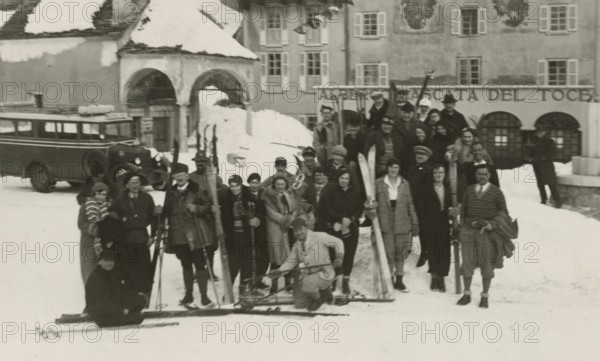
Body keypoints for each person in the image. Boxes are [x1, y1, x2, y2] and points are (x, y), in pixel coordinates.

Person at [158, 163, 216, 307]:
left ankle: (204, 296)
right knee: (185, 265)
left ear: (187, 175)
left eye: (182, 174)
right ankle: (188, 295)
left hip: (195, 235)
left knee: (200, 264)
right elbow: (166, 212)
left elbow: (209, 207)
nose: (180, 177)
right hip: (178, 235)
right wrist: (159, 212)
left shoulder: (197, 190)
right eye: (177, 175)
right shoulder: (170, 193)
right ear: (173, 177)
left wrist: (197, 208)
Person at [457, 164, 513, 308]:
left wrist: (492, 225)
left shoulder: (496, 192)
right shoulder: (469, 190)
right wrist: (463, 226)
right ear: (475, 175)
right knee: (467, 262)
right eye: (479, 173)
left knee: (486, 264)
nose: (482, 176)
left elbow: (504, 214)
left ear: (489, 175)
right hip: (468, 232)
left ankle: (484, 296)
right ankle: (467, 294)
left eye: (485, 174)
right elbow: (463, 211)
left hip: (486, 234)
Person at [269, 218, 344, 311]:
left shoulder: (318, 236)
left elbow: (338, 242)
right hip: (309, 276)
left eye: (301, 229)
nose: (299, 233)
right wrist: (279, 271)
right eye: (296, 231)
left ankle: (319, 299)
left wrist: (339, 257)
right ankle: (324, 292)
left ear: (306, 228)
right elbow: (290, 262)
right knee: (299, 303)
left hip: (324, 273)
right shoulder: (297, 246)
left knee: (307, 283)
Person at [366, 157, 419, 291]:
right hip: (386, 221)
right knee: (388, 253)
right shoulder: (379, 183)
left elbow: (410, 204)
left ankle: (399, 280)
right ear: (387, 168)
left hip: (402, 222)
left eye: (396, 167)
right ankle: (388, 279)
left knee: (400, 253)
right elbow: (370, 202)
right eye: (391, 167)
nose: (393, 170)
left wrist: (414, 221)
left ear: (399, 169)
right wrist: (371, 209)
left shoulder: (404, 184)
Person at [111, 172, 158, 296]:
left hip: (142, 238)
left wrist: (153, 235)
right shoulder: (120, 199)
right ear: (126, 185)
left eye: (137, 182)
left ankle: (143, 294)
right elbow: (113, 219)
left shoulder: (147, 198)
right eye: (131, 183)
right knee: (128, 269)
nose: (134, 185)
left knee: (143, 268)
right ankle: (130, 295)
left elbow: (154, 217)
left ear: (140, 184)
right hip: (126, 239)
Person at [317, 170, 363, 294]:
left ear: (350, 180)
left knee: (349, 255)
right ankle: (334, 279)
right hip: (335, 227)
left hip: (351, 228)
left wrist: (351, 219)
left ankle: (345, 281)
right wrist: (340, 219)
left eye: (346, 178)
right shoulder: (331, 191)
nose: (344, 180)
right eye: (342, 178)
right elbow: (327, 208)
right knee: (335, 254)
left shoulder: (355, 192)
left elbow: (359, 208)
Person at [219, 175, 266, 295]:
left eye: (237, 186)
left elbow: (261, 212)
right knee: (233, 263)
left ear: (241, 185)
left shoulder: (249, 196)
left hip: (247, 235)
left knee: (247, 262)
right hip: (232, 236)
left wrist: (257, 219)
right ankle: (228, 290)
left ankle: (243, 288)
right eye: (232, 186)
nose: (235, 189)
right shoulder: (224, 197)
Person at [85, 249, 148, 327]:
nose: (110, 263)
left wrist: (135, 294)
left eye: (112, 260)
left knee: (142, 299)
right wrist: (121, 311)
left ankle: (127, 315)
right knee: (139, 317)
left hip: (114, 305)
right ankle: (124, 317)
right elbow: (103, 302)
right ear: (100, 262)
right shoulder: (95, 278)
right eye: (106, 260)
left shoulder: (111, 273)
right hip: (102, 313)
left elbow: (121, 291)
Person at [263, 175, 304, 294]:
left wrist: (292, 218)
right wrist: (287, 220)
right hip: (276, 229)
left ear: (286, 185)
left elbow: (294, 209)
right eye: (278, 184)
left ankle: (288, 283)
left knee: (288, 257)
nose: (280, 186)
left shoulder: (290, 195)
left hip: (289, 230)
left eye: (282, 184)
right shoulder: (269, 197)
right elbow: (271, 214)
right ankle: (274, 285)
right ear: (274, 185)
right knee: (276, 259)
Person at [419, 164, 453, 292]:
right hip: (431, 223)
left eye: (441, 173)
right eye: (436, 173)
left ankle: (442, 278)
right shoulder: (426, 189)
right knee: (433, 250)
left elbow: (452, 204)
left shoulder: (449, 189)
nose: (438, 175)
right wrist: (425, 223)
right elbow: (421, 209)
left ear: (444, 175)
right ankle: (434, 277)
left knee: (444, 251)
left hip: (444, 222)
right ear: (432, 175)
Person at [78, 182, 113, 286]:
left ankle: (102, 288)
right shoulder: (85, 206)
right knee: (88, 265)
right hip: (87, 241)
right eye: (98, 193)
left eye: (104, 194)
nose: (101, 197)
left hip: (103, 241)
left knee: (102, 264)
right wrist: (92, 229)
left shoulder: (109, 207)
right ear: (93, 194)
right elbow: (80, 223)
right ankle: (89, 286)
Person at [407, 146, 434, 267]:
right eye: (418, 154)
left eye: (422, 154)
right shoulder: (412, 169)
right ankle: (408, 248)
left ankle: (424, 253)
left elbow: (428, 189)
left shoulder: (429, 170)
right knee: (410, 226)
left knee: (423, 229)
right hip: (412, 203)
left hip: (423, 205)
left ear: (427, 157)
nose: (419, 156)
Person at [529, 125, 562, 208]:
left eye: (540, 131)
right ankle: (543, 199)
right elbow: (531, 151)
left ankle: (557, 201)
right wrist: (530, 157)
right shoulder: (535, 141)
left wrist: (543, 158)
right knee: (540, 183)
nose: (538, 133)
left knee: (551, 183)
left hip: (547, 166)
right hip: (537, 165)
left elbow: (552, 153)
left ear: (544, 132)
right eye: (537, 132)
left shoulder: (550, 141)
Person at [247, 173, 270, 289]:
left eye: (257, 182)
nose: (254, 185)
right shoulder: (245, 195)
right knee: (252, 257)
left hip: (263, 231)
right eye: (252, 182)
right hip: (250, 231)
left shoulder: (264, 194)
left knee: (264, 258)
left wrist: (260, 218)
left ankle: (259, 279)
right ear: (249, 183)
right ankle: (251, 282)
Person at [394, 102, 422, 170]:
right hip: (399, 154)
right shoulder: (395, 123)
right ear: (401, 112)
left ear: (412, 114)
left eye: (409, 113)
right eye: (404, 112)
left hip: (413, 155)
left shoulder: (417, 124)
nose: (406, 115)